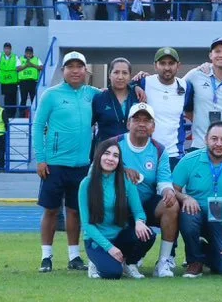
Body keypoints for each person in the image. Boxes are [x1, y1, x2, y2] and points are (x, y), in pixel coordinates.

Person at [34, 51, 98, 273]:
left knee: (75, 211)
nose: (75, 70)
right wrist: (41, 159)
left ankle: (74, 256)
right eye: (70, 66)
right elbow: (38, 126)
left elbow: (117, 94)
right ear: (63, 71)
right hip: (54, 164)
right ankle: (46, 257)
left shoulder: (93, 94)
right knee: (51, 210)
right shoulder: (51, 95)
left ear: (85, 71)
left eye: (79, 66)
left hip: (81, 165)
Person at [171, 121, 222, 277]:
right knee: (188, 216)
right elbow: (171, 189)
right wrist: (185, 197)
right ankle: (194, 261)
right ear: (205, 139)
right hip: (196, 214)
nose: (218, 144)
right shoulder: (189, 160)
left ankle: (202, 250)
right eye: (214, 138)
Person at [113, 103, 180, 278]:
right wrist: (121, 170)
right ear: (128, 124)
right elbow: (96, 174)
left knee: (171, 206)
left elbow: (164, 180)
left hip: (144, 204)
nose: (142, 124)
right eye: (137, 119)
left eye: (147, 120)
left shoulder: (159, 150)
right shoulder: (114, 144)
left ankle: (164, 262)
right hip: (118, 204)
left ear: (153, 126)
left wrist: (168, 191)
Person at [79, 139, 156, 280]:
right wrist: (110, 248)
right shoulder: (86, 184)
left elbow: (138, 211)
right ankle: (94, 262)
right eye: (107, 153)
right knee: (112, 274)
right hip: (97, 241)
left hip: (119, 236)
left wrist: (140, 221)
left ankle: (129, 263)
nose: (110, 158)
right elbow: (87, 225)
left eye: (115, 156)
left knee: (148, 235)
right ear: (99, 156)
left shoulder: (126, 180)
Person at [183, 37, 222, 152]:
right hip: (200, 144)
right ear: (210, 55)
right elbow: (173, 86)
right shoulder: (196, 74)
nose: (221, 55)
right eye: (217, 51)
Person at [91, 57, 139, 146]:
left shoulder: (138, 97)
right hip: (106, 153)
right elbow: (88, 125)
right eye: (116, 72)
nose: (120, 77)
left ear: (130, 76)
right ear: (109, 75)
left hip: (132, 152)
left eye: (125, 73)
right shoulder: (99, 98)